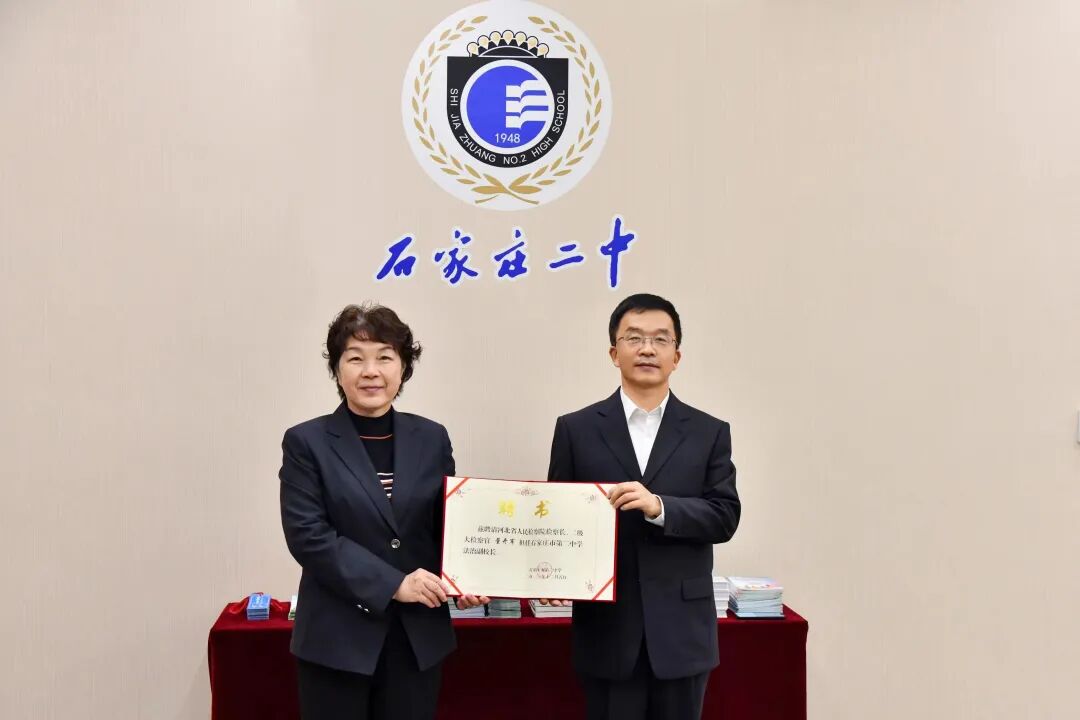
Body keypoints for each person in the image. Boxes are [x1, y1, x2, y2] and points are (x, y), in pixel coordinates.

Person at [279, 303, 487, 720]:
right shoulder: (306, 442)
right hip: (336, 642)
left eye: (385, 358)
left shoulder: (432, 437)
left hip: (416, 640)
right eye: (356, 358)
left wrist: (465, 575)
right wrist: (394, 583)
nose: (371, 371)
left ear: (404, 368)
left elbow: (446, 525)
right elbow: (309, 537)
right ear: (337, 370)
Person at [544, 293, 741, 720]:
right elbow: (558, 518)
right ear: (614, 353)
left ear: (676, 356)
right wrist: (552, 573)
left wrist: (660, 507)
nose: (647, 349)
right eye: (633, 338)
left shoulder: (709, 432)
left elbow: (724, 516)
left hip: (683, 634)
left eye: (660, 339)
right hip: (607, 632)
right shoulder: (576, 429)